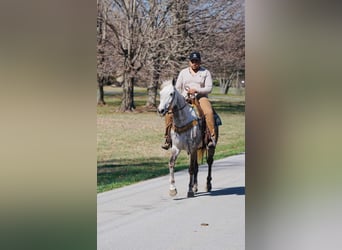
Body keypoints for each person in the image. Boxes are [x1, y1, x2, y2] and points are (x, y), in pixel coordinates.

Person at [161, 51, 216, 150]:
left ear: (200, 62)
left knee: (209, 112)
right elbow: (177, 88)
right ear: (189, 62)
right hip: (184, 98)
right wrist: (182, 97)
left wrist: (197, 90)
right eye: (192, 61)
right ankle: (167, 138)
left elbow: (209, 88)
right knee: (169, 113)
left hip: (200, 97)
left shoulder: (205, 72)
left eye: (196, 61)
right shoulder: (183, 72)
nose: (194, 63)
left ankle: (211, 137)